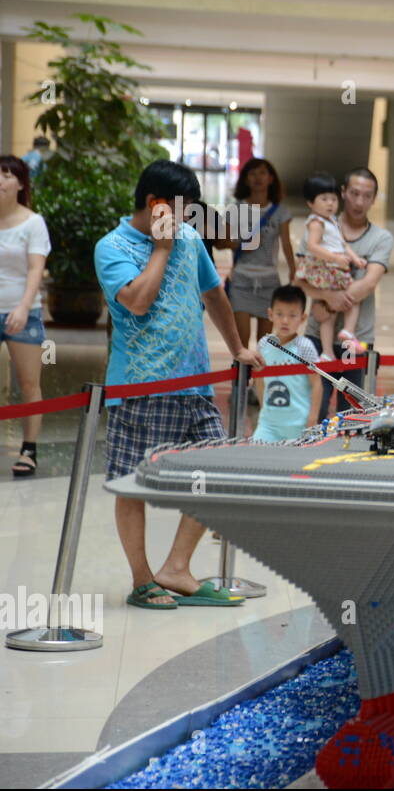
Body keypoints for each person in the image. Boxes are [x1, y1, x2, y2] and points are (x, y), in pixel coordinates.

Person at [95, 159, 264, 609]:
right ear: (154, 205)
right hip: (140, 388)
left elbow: (215, 296)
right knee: (135, 486)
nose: (188, 218)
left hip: (196, 386)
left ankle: (176, 568)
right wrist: (162, 249)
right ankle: (142, 578)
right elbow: (137, 301)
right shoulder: (112, 247)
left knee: (217, 472)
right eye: (181, 208)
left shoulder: (190, 240)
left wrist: (237, 348)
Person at [296, 167, 393, 420]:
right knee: (314, 409)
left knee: (350, 411)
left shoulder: (381, 239)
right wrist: (324, 295)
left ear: (374, 199)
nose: (359, 202)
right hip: (317, 337)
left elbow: (368, 284)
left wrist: (327, 302)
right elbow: (298, 279)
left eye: (367, 196)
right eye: (354, 193)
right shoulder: (317, 227)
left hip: (354, 340)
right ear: (342, 193)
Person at [0, 155, 50, 476]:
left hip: (23, 312)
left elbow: (36, 269)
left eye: (6, 176)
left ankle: (29, 450)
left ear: (20, 183)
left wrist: (22, 306)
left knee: (29, 383)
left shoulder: (33, 223)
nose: (1, 182)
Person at [224, 158, 295, 352]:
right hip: (241, 280)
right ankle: (241, 381)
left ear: (271, 179)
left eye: (263, 173)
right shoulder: (236, 209)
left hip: (269, 281)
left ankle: (258, 382)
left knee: (265, 345)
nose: (258, 178)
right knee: (241, 345)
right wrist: (241, 244)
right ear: (246, 179)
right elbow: (223, 241)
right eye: (253, 173)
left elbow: (286, 243)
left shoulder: (280, 212)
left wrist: (293, 270)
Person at [298, 172, 365, 360]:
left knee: (330, 314)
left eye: (333, 199)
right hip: (327, 269)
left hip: (331, 269)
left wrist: (355, 258)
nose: (330, 203)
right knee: (353, 298)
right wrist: (335, 259)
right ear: (311, 203)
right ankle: (348, 332)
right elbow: (312, 246)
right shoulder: (316, 222)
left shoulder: (332, 221)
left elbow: (344, 244)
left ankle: (327, 352)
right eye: (324, 199)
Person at [252, 285, 322, 442]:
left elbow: (316, 384)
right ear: (270, 314)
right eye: (279, 314)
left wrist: (312, 418)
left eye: (292, 316)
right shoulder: (263, 344)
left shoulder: (305, 347)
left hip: (299, 425)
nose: (285, 321)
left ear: (303, 318)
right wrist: (264, 407)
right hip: (268, 424)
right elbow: (259, 379)